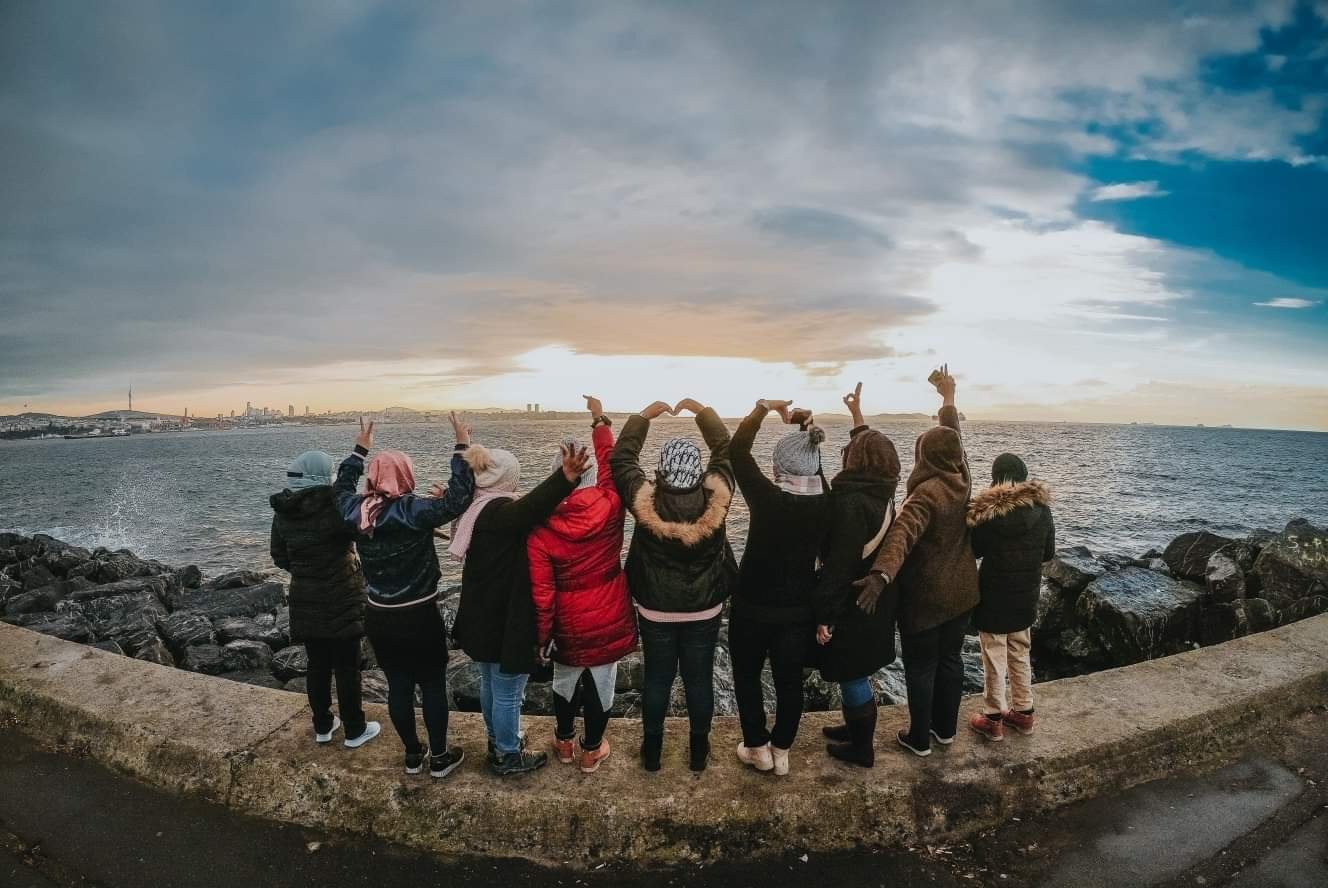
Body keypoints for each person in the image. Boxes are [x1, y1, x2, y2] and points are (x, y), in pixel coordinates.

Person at [334, 414, 475, 778]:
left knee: (398, 684)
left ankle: (413, 755)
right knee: (431, 684)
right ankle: (440, 757)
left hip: (379, 614)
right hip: (419, 614)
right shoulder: (413, 511)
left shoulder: (356, 511)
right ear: (407, 476)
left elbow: (340, 487)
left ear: (374, 477)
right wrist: (461, 444)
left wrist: (358, 450)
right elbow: (458, 498)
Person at [855, 366, 980, 758]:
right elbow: (955, 442)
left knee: (921, 668)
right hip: (962, 592)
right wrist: (948, 399)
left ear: (923, 455)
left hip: (926, 598)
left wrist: (879, 576)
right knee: (951, 661)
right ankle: (945, 730)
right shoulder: (963, 479)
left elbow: (901, 536)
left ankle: (919, 738)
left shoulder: (925, 494)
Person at [449, 434, 590, 777]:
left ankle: (498, 740)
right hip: (504, 619)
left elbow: (525, 506)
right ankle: (508, 754)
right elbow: (533, 507)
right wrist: (566, 478)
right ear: (506, 480)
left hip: (482, 615)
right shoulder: (500, 512)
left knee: (489, 684)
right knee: (508, 689)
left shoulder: (476, 507)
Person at [611, 397, 737, 772]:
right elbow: (726, 450)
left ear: (661, 471)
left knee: (657, 680)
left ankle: (652, 754)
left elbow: (622, 460)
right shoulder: (719, 498)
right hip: (705, 607)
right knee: (699, 681)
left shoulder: (643, 499)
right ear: (698, 471)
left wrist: (642, 418)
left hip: (655, 607)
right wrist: (704, 413)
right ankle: (698, 753)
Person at [528, 395, 636, 775]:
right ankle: (591, 750)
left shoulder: (541, 524)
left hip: (567, 619)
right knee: (603, 683)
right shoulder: (610, 503)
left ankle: (563, 742)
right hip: (608, 608)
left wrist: (542, 638)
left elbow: (542, 594)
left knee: (564, 678)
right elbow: (609, 463)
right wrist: (599, 420)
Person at [729, 397, 830, 776]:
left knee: (747, 676)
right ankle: (782, 749)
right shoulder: (823, 502)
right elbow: (815, 468)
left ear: (778, 466)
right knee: (789, 682)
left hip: (752, 606)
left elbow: (737, 451)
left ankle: (756, 746)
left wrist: (761, 408)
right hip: (797, 611)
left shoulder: (769, 498)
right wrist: (806, 426)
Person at [813, 383, 902, 767]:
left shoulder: (850, 502)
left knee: (851, 672)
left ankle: (862, 748)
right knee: (859, 670)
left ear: (857, 460)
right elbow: (869, 447)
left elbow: (838, 565)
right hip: (877, 601)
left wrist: (825, 616)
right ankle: (854, 728)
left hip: (852, 600)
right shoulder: (882, 491)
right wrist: (857, 416)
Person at [270, 450, 379, 750]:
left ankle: (323, 725)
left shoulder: (284, 509)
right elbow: (364, 533)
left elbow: (278, 555)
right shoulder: (334, 506)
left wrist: (305, 570)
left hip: (305, 596)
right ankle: (355, 729)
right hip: (342, 594)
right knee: (347, 666)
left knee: (316, 665)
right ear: (323, 474)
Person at [966, 453, 1055, 741]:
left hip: (994, 594)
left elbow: (975, 550)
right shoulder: (1042, 510)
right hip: (1026, 594)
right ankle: (1024, 713)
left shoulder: (991, 512)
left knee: (993, 655)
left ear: (997, 479)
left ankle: (993, 717)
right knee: (1020, 650)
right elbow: (1049, 553)